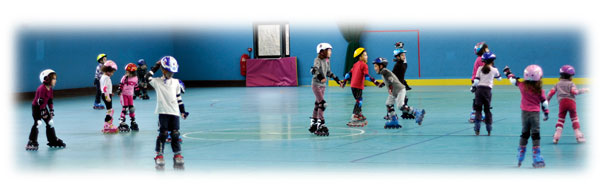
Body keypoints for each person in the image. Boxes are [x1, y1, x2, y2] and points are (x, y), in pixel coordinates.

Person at [145, 56, 189, 166]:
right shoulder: (157, 82)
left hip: (174, 113)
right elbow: (147, 77)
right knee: (163, 134)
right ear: (163, 70)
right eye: (169, 71)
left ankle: (177, 154)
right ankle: (159, 155)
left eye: (172, 72)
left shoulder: (176, 82)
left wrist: (183, 111)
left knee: (175, 134)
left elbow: (179, 98)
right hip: (163, 112)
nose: (171, 74)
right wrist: (156, 66)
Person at [503, 64, 549, 168]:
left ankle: (520, 154)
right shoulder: (539, 90)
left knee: (525, 133)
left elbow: (513, 80)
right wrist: (546, 112)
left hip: (524, 114)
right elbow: (544, 103)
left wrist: (507, 72)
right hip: (535, 115)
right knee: (535, 135)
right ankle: (537, 157)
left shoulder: (522, 85)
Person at [546, 65, 588, 143]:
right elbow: (575, 92)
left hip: (562, 103)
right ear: (570, 76)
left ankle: (556, 136)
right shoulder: (571, 84)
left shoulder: (557, 84)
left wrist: (547, 101)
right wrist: (584, 90)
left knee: (561, 119)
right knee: (574, 118)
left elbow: (551, 93)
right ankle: (579, 136)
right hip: (571, 103)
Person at [26, 69, 66, 150]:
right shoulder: (41, 88)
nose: (55, 80)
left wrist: (51, 110)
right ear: (46, 79)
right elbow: (40, 101)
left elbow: (50, 100)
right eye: (53, 79)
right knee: (38, 122)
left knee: (50, 123)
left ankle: (52, 140)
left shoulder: (50, 88)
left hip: (43, 108)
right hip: (37, 108)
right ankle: (32, 141)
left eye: (55, 78)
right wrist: (42, 111)